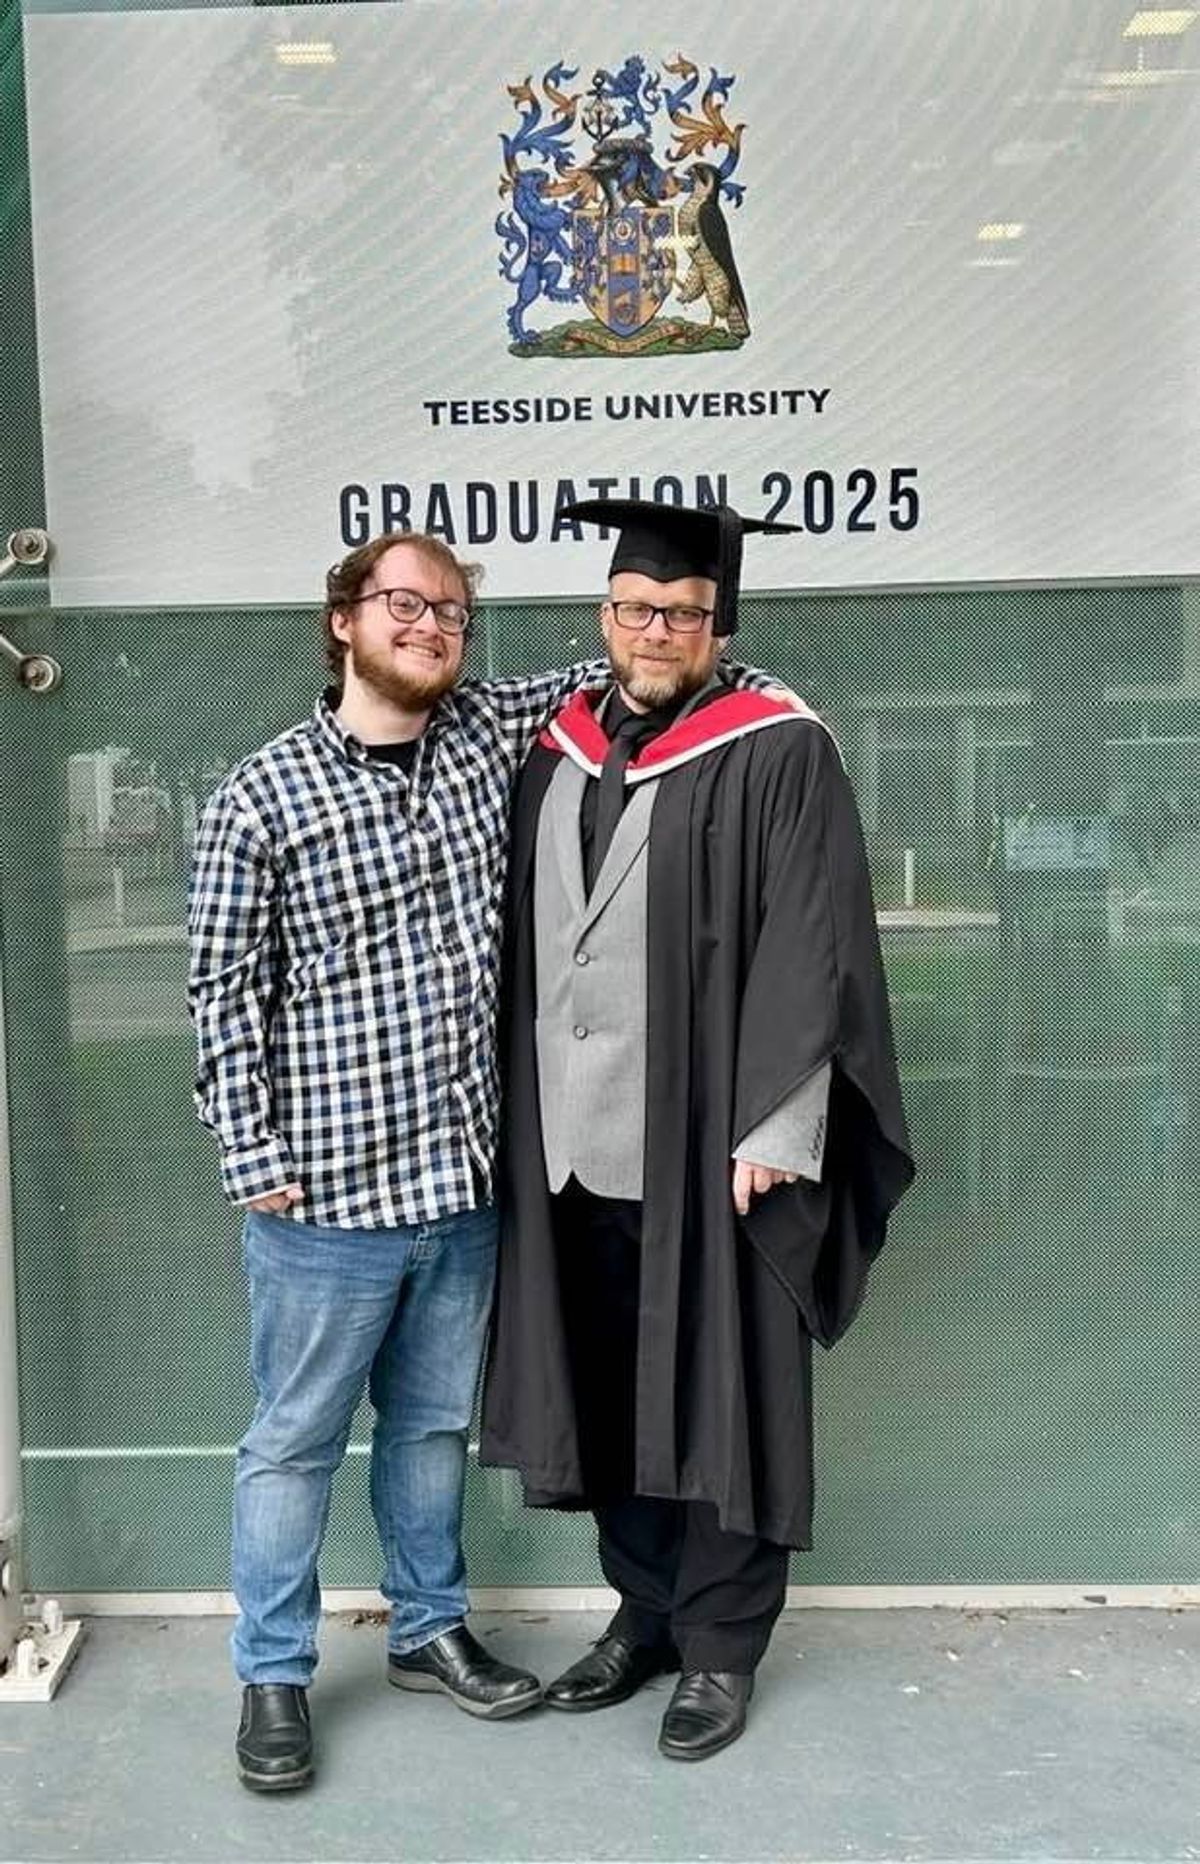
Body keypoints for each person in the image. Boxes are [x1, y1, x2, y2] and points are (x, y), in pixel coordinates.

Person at [187, 528, 780, 1792]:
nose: (430, 626)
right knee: (293, 1439)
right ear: (343, 618)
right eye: (402, 604)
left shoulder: (489, 734)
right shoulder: (262, 794)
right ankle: (275, 1673)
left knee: (429, 1429)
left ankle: (426, 1628)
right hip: (329, 1199)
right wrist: (254, 1156)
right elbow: (223, 998)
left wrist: (703, 646)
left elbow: (637, 667)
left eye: (452, 610)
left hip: (463, 1189)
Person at [480, 498, 915, 1762]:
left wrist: (778, 1125)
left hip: (710, 1144)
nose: (656, 627)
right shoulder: (556, 745)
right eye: (635, 607)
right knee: (610, 1382)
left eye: (681, 611)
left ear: (720, 622)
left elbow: (817, 943)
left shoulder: (780, 750)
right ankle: (648, 1608)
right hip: (570, 1137)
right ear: (604, 615)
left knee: (725, 1386)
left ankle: (721, 1646)